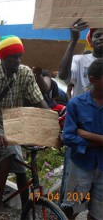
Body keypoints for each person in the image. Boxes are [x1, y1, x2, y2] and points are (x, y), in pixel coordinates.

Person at [0, 35, 49, 219]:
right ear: (2, 56)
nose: (18, 60)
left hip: (14, 123)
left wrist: (52, 124)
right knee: (8, 151)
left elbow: (40, 99)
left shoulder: (24, 72)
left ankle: (26, 208)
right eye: (13, 56)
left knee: (22, 168)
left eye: (20, 56)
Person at [58, 19, 103, 211]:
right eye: (97, 35)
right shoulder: (79, 59)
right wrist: (73, 41)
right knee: (73, 188)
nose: (102, 38)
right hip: (78, 127)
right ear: (91, 39)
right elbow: (63, 75)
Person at [61, 59, 103, 220]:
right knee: (71, 209)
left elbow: (75, 135)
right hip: (81, 167)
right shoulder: (76, 104)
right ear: (93, 79)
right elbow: (69, 137)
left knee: (98, 213)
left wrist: (86, 135)